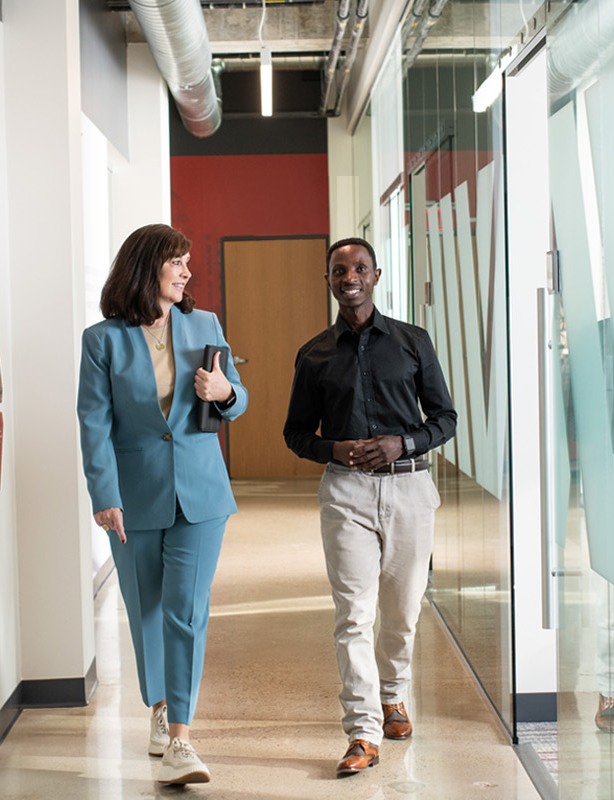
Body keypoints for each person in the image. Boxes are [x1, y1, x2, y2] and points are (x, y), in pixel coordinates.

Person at [77, 223, 247, 786]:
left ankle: (181, 738)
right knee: (146, 608)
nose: (187, 272)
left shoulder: (204, 325)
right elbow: (94, 423)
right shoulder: (101, 340)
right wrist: (104, 496)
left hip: (200, 491)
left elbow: (236, 397)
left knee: (185, 611)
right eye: (177, 262)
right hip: (134, 496)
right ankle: (157, 708)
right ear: (148, 267)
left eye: (187, 264)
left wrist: (223, 395)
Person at [283, 237, 455, 777]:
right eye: (339, 270)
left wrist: (401, 443)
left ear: (376, 276)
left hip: (409, 490)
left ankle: (393, 694)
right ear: (329, 280)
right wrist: (332, 449)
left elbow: (446, 418)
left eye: (359, 268)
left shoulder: (412, 341)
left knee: (403, 611)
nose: (349, 276)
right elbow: (295, 434)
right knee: (353, 616)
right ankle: (362, 731)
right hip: (346, 495)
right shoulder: (313, 354)